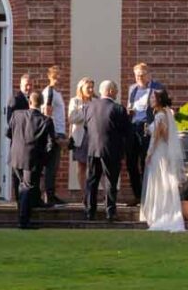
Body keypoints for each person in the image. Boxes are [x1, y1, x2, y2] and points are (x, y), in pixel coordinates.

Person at [7, 86, 55, 230]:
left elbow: (9, 133)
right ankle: (23, 220)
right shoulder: (46, 120)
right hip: (32, 158)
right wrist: (44, 160)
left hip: (15, 155)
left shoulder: (16, 115)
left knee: (21, 187)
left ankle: (23, 215)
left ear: (29, 102)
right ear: (41, 104)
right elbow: (50, 144)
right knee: (26, 188)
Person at [81, 79, 129, 221]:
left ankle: (90, 211)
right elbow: (126, 131)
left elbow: (86, 127)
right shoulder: (118, 109)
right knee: (110, 181)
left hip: (92, 148)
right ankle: (110, 212)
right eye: (116, 89)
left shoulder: (88, 107)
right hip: (111, 150)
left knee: (92, 181)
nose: (117, 92)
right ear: (110, 91)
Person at [140, 91, 186, 232]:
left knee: (159, 182)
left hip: (158, 154)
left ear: (159, 100)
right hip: (164, 151)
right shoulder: (165, 114)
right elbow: (166, 135)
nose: (151, 100)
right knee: (165, 181)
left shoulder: (160, 115)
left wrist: (149, 153)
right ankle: (166, 213)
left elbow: (157, 137)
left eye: (153, 98)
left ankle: (160, 215)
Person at [126, 62, 165, 204]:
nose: (139, 78)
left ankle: (146, 196)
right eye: (137, 76)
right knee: (131, 162)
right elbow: (129, 106)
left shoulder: (157, 88)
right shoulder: (132, 89)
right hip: (133, 127)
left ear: (149, 74)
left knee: (146, 161)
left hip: (148, 128)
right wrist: (128, 111)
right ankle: (137, 195)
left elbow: (164, 108)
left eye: (142, 75)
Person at [41, 65, 67, 206]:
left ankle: (51, 193)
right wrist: (54, 136)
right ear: (50, 77)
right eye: (56, 77)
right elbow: (46, 114)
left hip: (59, 131)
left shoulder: (57, 93)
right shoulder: (49, 92)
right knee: (50, 165)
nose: (59, 79)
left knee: (54, 166)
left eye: (60, 76)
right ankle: (48, 196)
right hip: (53, 132)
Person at [7, 74, 34, 197]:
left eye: (30, 85)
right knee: (17, 170)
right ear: (20, 85)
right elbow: (10, 121)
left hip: (29, 141)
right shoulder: (15, 98)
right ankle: (19, 199)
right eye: (26, 85)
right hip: (19, 139)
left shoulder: (32, 99)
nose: (28, 87)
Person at [67, 77, 93, 195]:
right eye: (88, 87)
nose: (91, 90)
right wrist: (84, 112)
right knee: (82, 165)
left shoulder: (95, 101)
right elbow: (71, 118)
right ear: (81, 88)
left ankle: (93, 192)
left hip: (94, 136)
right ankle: (84, 193)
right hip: (80, 136)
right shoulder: (75, 101)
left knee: (94, 166)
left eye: (92, 87)